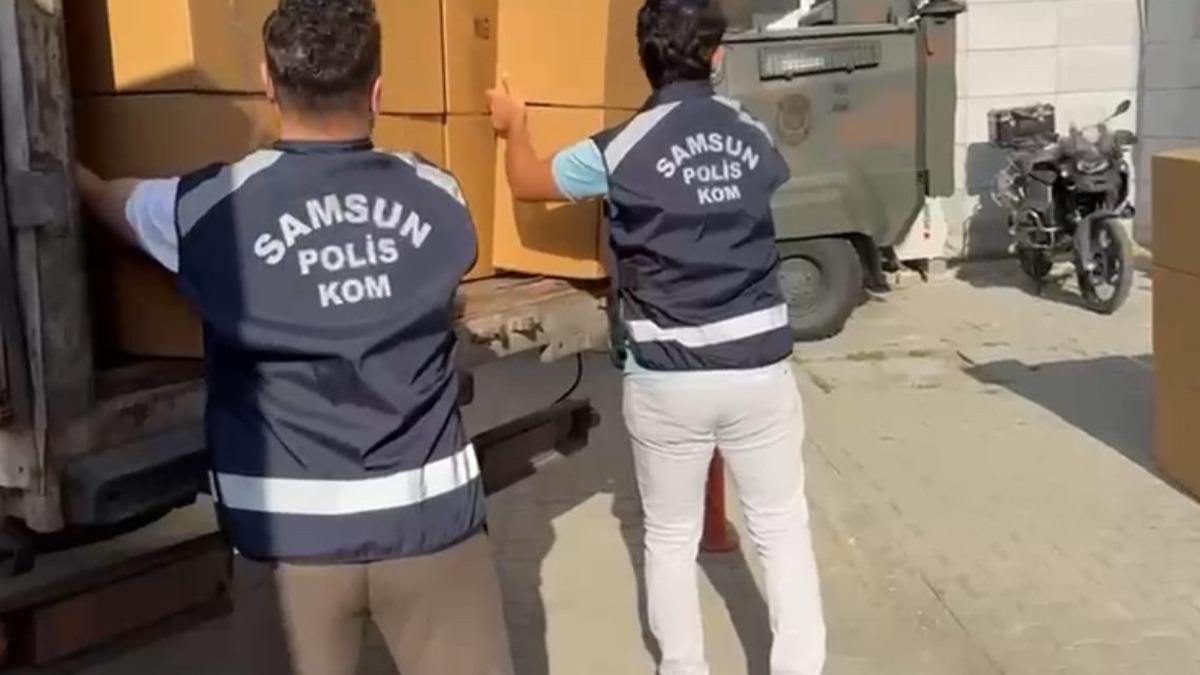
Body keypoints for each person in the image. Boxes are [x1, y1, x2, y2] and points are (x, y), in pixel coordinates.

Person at [75, 1, 513, 673]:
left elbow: (113, 203)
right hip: (431, 528)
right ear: (377, 91)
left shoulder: (210, 206)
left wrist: (65, 171)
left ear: (267, 84)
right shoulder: (438, 194)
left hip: (287, 548)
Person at [487, 0, 827, 674]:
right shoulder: (750, 130)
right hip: (758, 369)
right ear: (717, 56)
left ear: (643, 58)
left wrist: (513, 124)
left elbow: (528, 183)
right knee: (783, 529)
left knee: (669, 537)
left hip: (669, 377)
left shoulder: (619, 147)